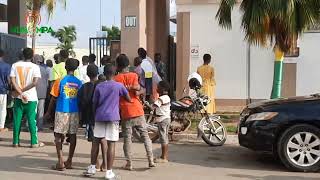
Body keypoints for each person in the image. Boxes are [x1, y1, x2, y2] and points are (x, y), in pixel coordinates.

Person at [85, 64, 131, 179]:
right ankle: (109, 172)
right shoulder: (118, 86)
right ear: (115, 74)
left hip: (100, 116)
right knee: (111, 144)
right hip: (113, 117)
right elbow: (128, 98)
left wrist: (95, 114)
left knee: (95, 142)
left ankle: (92, 168)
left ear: (104, 74)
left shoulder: (99, 86)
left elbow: (94, 102)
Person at [114, 54, 155, 170]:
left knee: (127, 138)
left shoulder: (116, 79)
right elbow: (138, 90)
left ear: (117, 65)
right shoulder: (134, 75)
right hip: (137, 109)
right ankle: (150, 159)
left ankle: (129, 163)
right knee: (145, 135)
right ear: (128, 65)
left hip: (125, 111)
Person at [49, 58, 82, 170]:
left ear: (65, 67)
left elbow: (53, 98)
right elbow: (81, 99)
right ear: (76, 68)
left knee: (58, 135)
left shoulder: (60, 81)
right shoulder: (79, 82)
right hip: (74, 111)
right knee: (72, 135)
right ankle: (69, 161)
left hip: (61, 110)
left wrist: (48, 112)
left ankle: (60, 162)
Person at [10, 48, 44, 148]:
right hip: (31, 98)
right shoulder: (35, 67)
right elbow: (35, 82)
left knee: (17, 120)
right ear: (32, 56)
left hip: (18, 97)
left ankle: (15, 142)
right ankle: (34, 142)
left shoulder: (15, 65)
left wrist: (20, 92)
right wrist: (24, 90)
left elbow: (12, 80)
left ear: (23, 55)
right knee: (32, 120)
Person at [152, 81, 171, 163]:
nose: (156, 89)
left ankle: (164, 157)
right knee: (165, 137)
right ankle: (164, 156)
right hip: (166, 119)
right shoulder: (167, 97)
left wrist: (146, 104)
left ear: (162, 89)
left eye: (158, 87)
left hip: (162, 120)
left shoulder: (161, 98)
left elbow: (153, 107)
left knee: (163, 138)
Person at [33, 54, 49, 131]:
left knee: (32, 109)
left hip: (33, 91)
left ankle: (30, 125)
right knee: (40, 110)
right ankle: (40, 126)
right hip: (43, 92)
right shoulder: (44, 69)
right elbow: (47, 82)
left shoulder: (32, 68)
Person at [0, 49, 11, 132]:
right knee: (2, 109)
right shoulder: (7, 66)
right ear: (3, 55)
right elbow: (9, 79)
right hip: (2, 90)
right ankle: (1, 126)